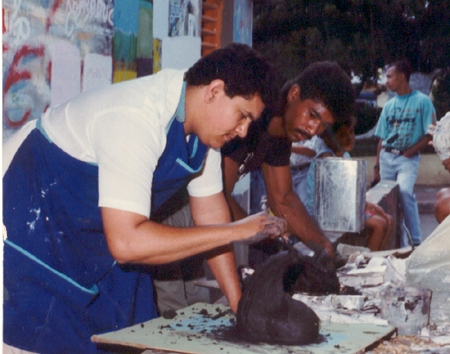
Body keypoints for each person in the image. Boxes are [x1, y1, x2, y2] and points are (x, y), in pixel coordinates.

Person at [2, 43, 287, 354]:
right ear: (214, 91)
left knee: (134, 334)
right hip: (32, 219)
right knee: (43, 337)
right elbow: (126, 243)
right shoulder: (136, 117)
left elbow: (210, 214)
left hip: (92, 235)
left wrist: (239, 307)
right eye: (243, 116)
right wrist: (239, 230)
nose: (245, 132)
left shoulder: (205, 133)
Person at [221, 61, 356, 268]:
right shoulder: (254, 115)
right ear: (294, 94)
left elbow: (283, 199)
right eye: (312, 115)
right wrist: (260, 232)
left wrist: (325, 247)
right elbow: (219, 197)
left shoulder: (280, 134)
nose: (312, 130)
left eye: (323, 126)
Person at [372, 59, 436, 247]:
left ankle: (416, 242)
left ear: (401, 77)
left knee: (406, 192)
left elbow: (430, 133)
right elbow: (382, 139)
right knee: (387, 200)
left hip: (407, 159)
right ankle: (397, 244)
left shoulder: (423, 102)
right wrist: (376, 167)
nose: (387, 81)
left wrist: (409, 153)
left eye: (390, 77)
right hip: (387, 157)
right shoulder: (389, 106)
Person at [304, 117, 393, 251]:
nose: (349, 138)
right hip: (324, 216)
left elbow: (350, 196)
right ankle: (365, 264)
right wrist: (365, 208)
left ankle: (374, 260)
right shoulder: (327, 158)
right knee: (379, 224)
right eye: (342, 135)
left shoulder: (344, 156)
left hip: (340, 211)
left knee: (389, 220)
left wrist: (371, 206)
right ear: (329, 138)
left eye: (351, 132)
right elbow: (337, 201)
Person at [290, 135, 327, 204]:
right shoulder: (289, 136)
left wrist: (290, 148)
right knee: (290, 203)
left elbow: (312, 151)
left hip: (305, 171)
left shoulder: (314, 136)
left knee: (305, 202)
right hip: (289, 171)